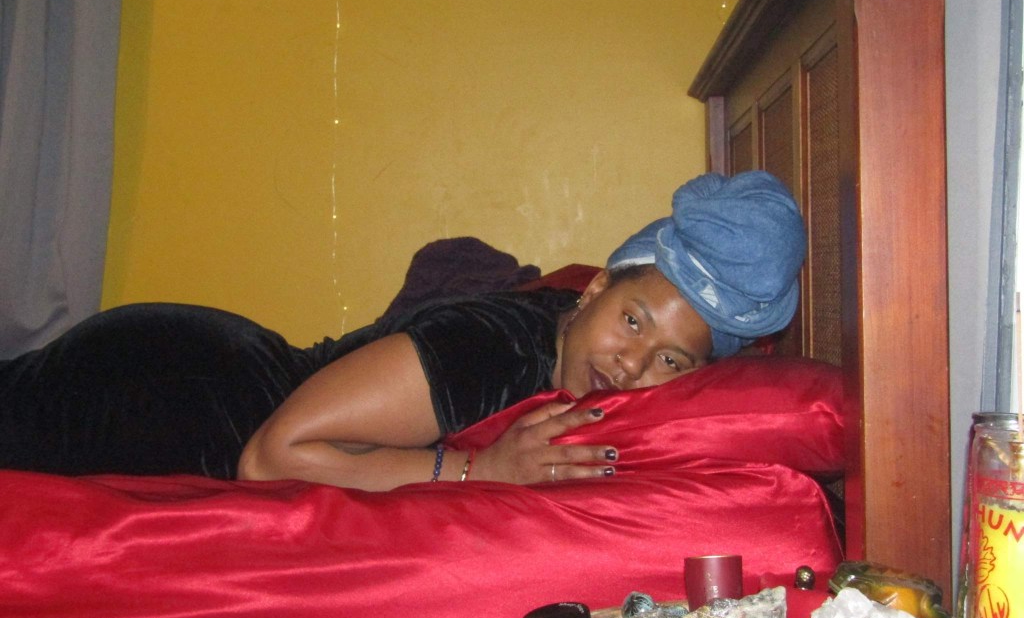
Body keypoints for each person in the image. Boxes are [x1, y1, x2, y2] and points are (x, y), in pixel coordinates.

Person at [0, 171, 805, 489]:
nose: (631, 365)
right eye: (632, 319)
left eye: (669, 359)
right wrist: (476, 473)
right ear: (593, 286)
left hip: (200, 380)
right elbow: (272, 456)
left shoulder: (553, 341)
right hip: (167, 397)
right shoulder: (494, 349)